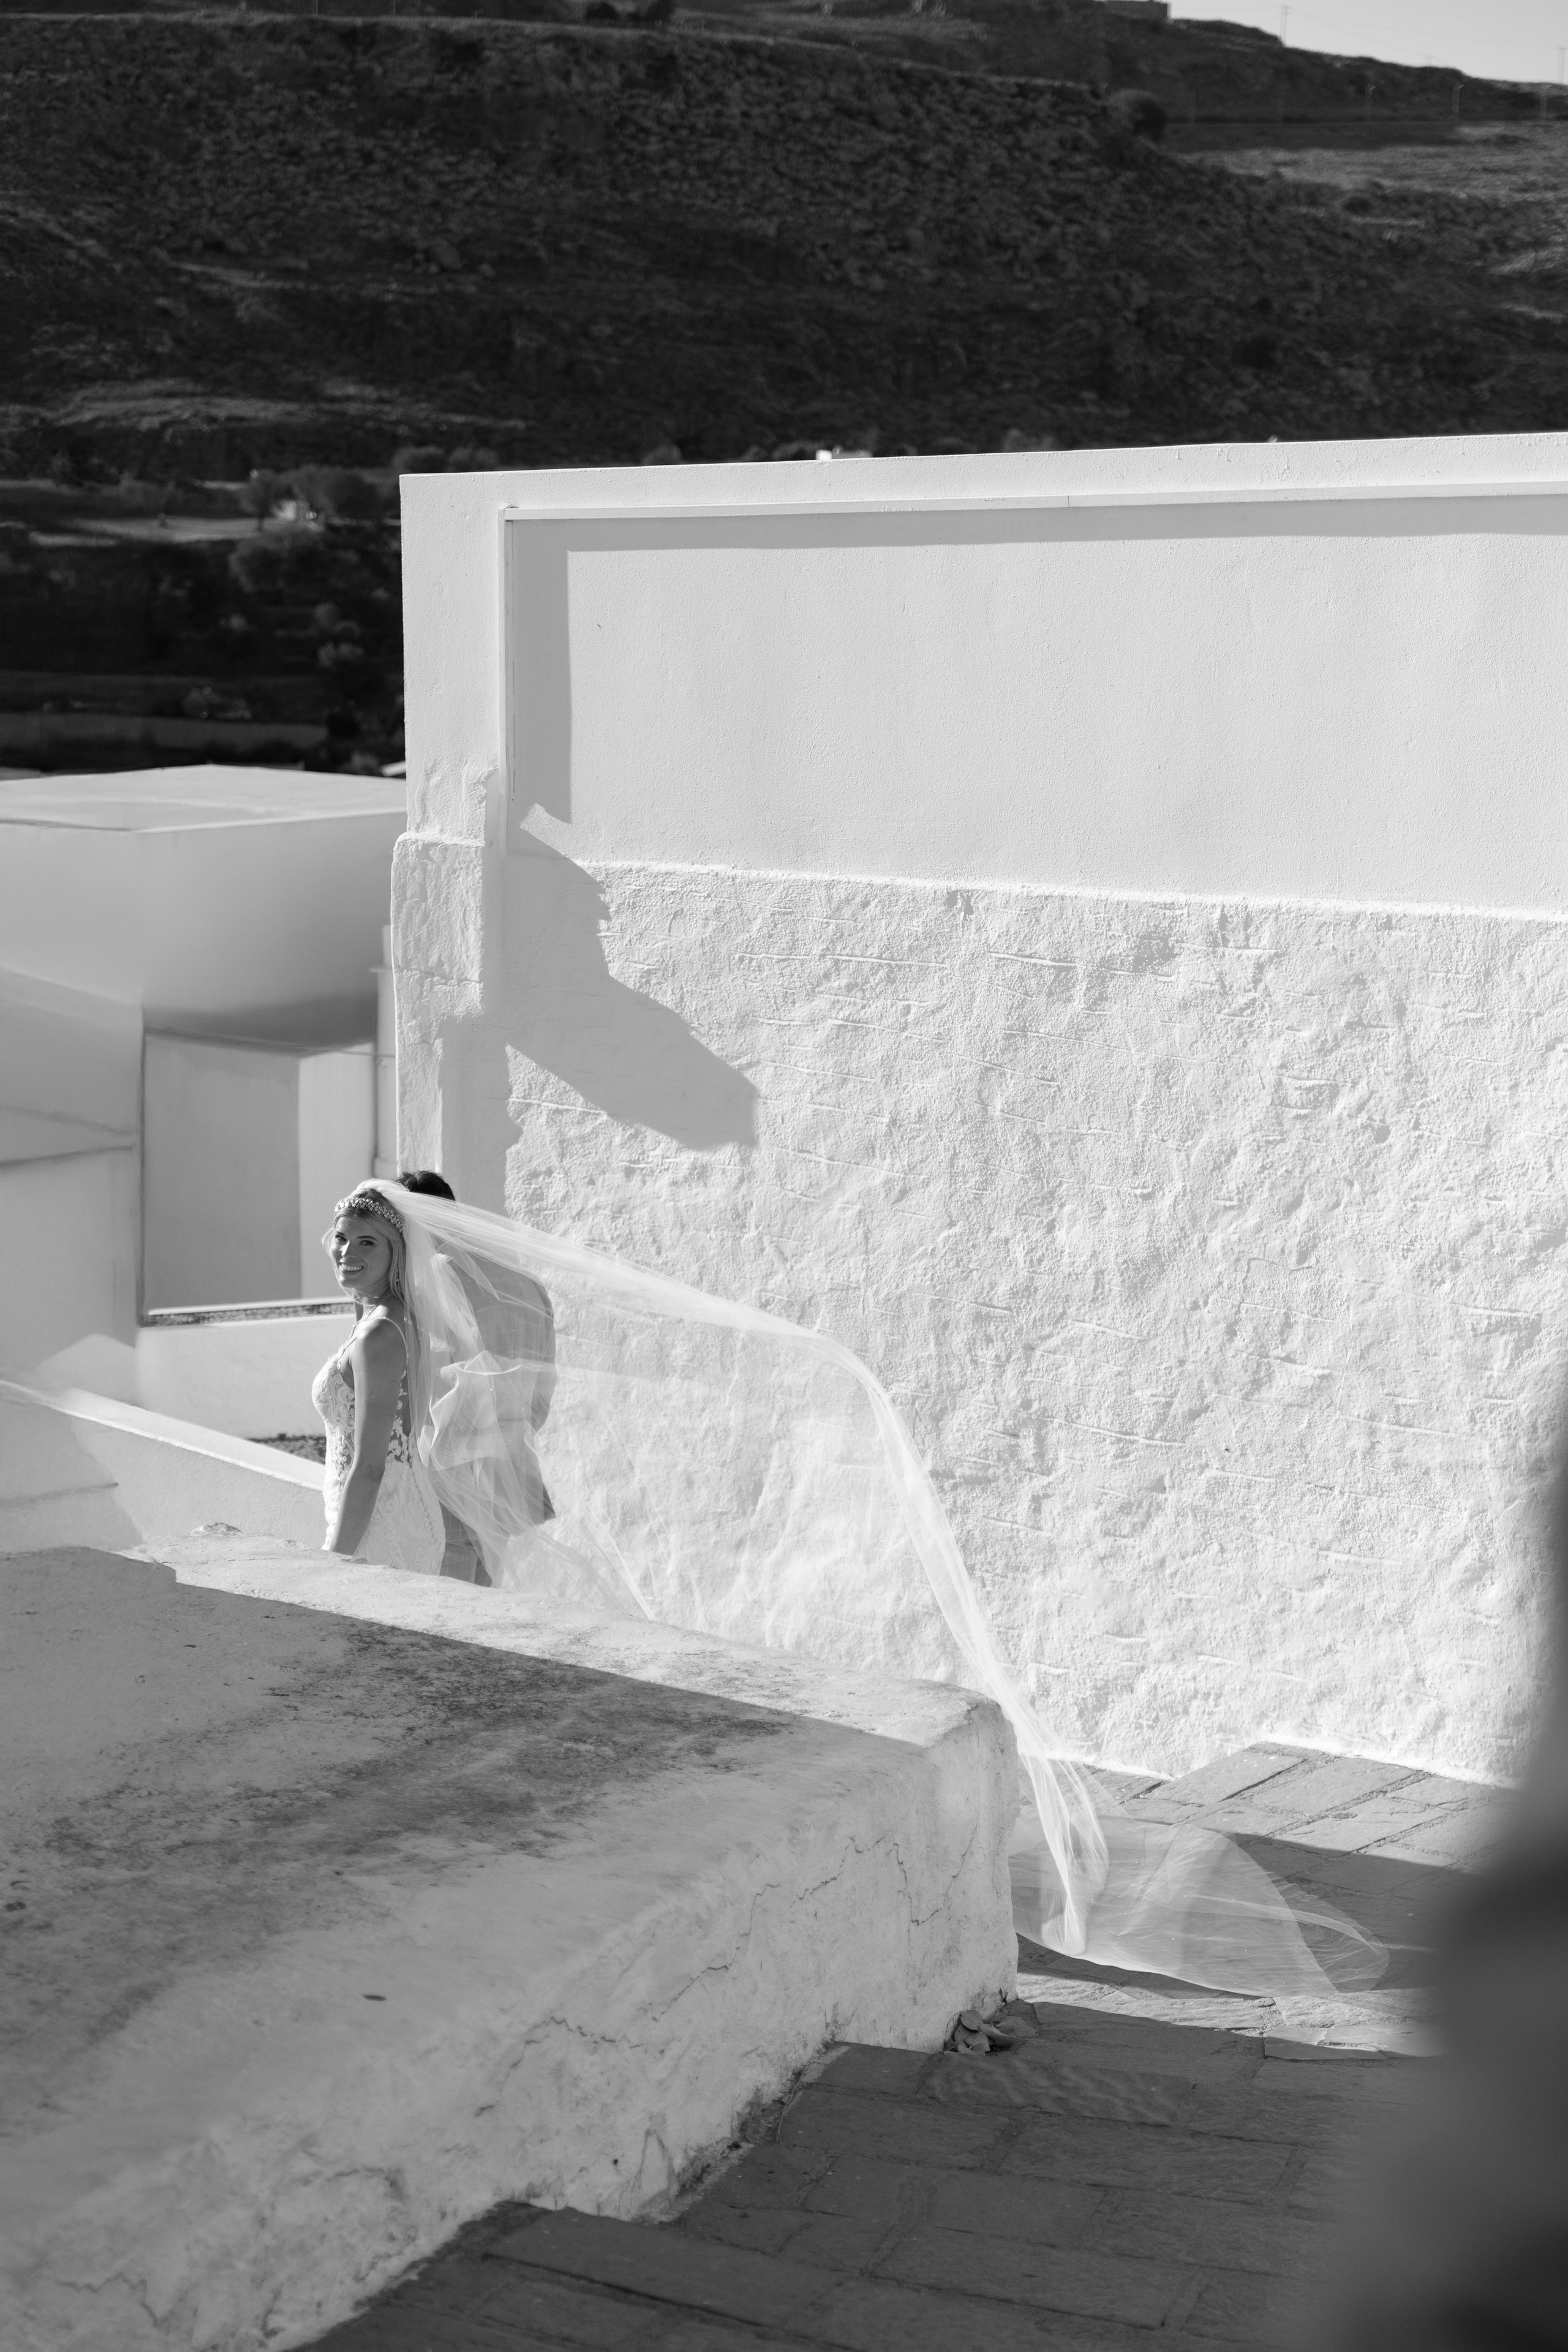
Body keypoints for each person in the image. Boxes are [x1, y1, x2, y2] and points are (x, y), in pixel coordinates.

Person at [307, 1175, 1387, 2003]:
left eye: (371, 1236)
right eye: (346, 1238)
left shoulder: (403, 1327)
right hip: (494, 1514)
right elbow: (502, 1424)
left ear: (416, 1237)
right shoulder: (508, 1305)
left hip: (433, 1517)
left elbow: (381, 1455)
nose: (350, 1252)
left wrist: (371, 1540)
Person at [312, 1187, 445, 1574]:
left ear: (396, 1252)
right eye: (341, 1238)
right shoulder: (392, 1317)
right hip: (387, 1508)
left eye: (366, 1242)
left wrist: (333, 1562)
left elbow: (370, 1467)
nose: (347, 1252)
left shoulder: (380, 1335)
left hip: (382, 1521)